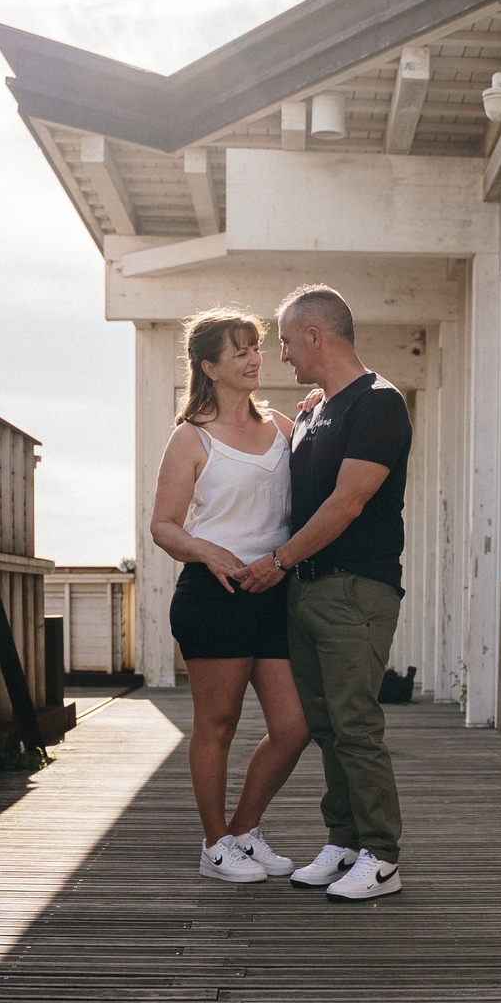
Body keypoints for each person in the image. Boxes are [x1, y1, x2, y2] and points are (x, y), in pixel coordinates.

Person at [237, 284, 413, 903]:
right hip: (306, 593)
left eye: (286, 341)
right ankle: (344, 842)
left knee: (356, 722)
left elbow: (349, 501)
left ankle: (382, 857)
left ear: (315, 336)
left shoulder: (380, 403)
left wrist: (278, 560)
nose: (281, 355)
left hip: (354, 591)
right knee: (326, 724)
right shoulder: (318, 409)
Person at [149, 308, 309, 884]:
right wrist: (206, 550)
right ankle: (215, 844)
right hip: (213, 594)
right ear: (209, 366)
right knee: (216, 723)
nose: (253, 360)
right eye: (239, 351)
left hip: (273, 591)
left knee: (295, 725)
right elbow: (164, 526)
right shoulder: (190, 438)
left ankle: (244, 829)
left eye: (257, 348)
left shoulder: (287, 428)